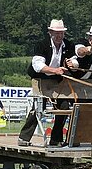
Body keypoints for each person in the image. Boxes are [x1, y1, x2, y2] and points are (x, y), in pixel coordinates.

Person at [18, 19, 77, 147]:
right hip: (40, 79)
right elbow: (38, 66)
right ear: (50, 32)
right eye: (56, 33)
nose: (59, 36)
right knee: (39, 107)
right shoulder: (42, 45)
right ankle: (24, 137)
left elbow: (74, 59)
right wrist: (55, 70)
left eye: (61, 33)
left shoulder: (68, 45)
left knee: (64, 107)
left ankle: (55, 139)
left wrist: (72, 64)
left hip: (58, 80)